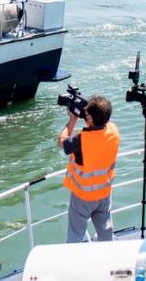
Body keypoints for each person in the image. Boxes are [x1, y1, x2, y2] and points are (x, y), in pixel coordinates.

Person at [59, 95, 119, 243]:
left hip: (83, 197)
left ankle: (73, 263)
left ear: (90, 119)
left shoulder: (80, 140)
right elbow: (101, 119)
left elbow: (61, 142)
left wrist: (73, 118)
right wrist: (90, 111)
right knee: (105, 231)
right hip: (104, 193)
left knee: (75, 234)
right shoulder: (113, 131)